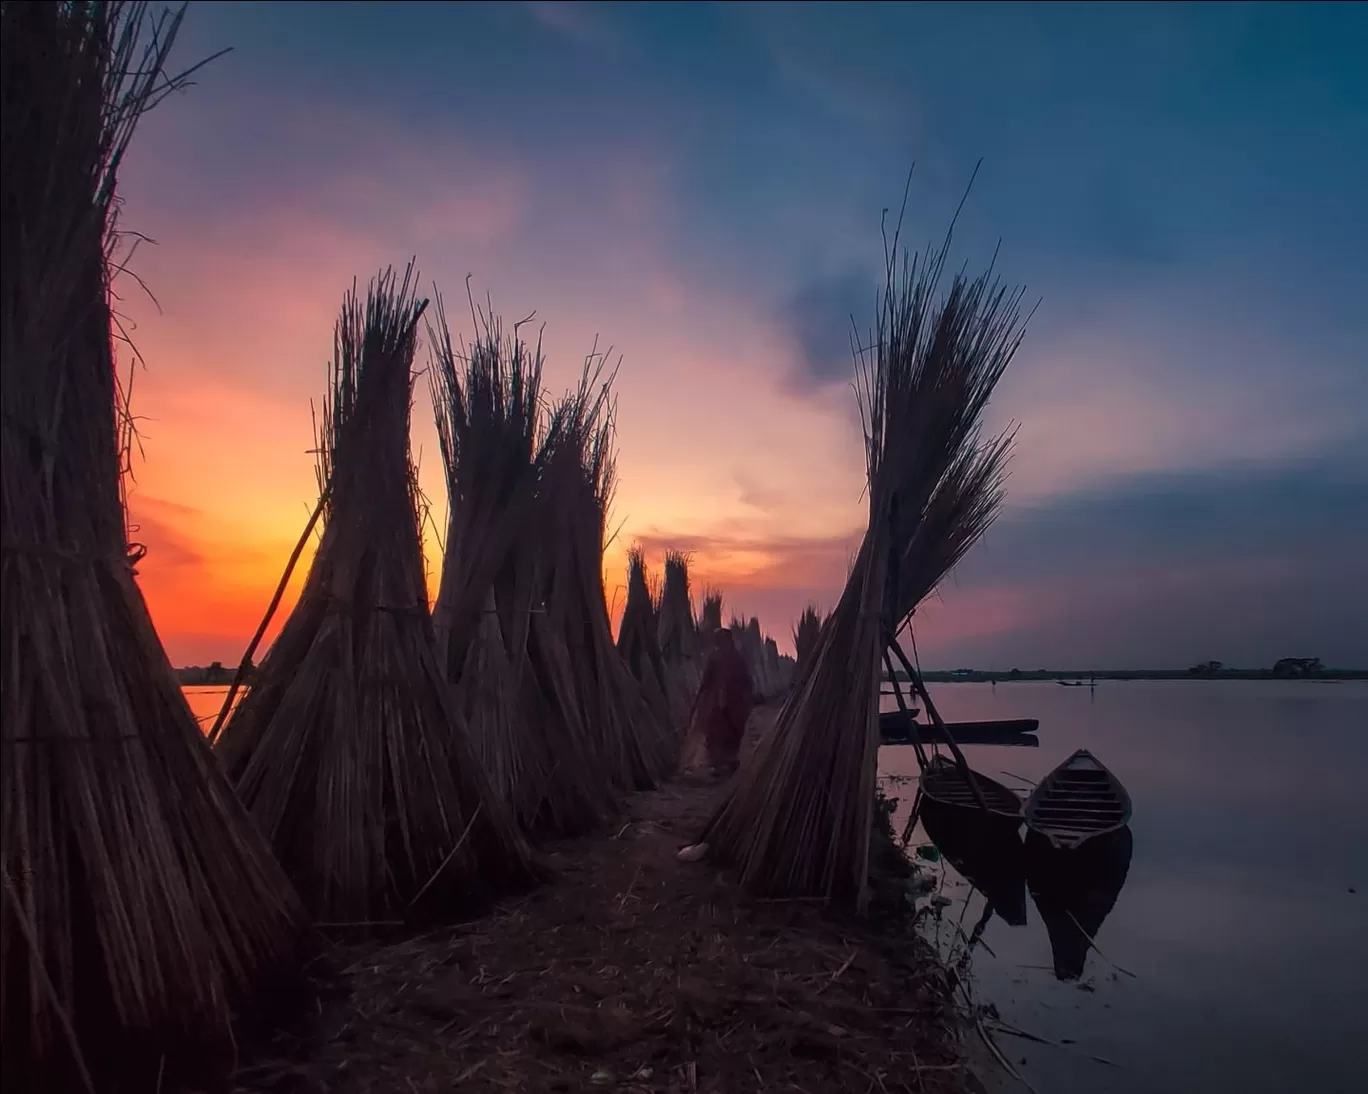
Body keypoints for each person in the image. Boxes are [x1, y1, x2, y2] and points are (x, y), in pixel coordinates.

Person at [691, 627, 754, 776]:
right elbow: (706, 680)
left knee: (730, 731)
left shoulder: (735, 659)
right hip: (719, 703)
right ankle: (718, 762)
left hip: (733, 703)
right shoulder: (718, 657)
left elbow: (746, 681)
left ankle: (728, 761)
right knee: (717, 732)